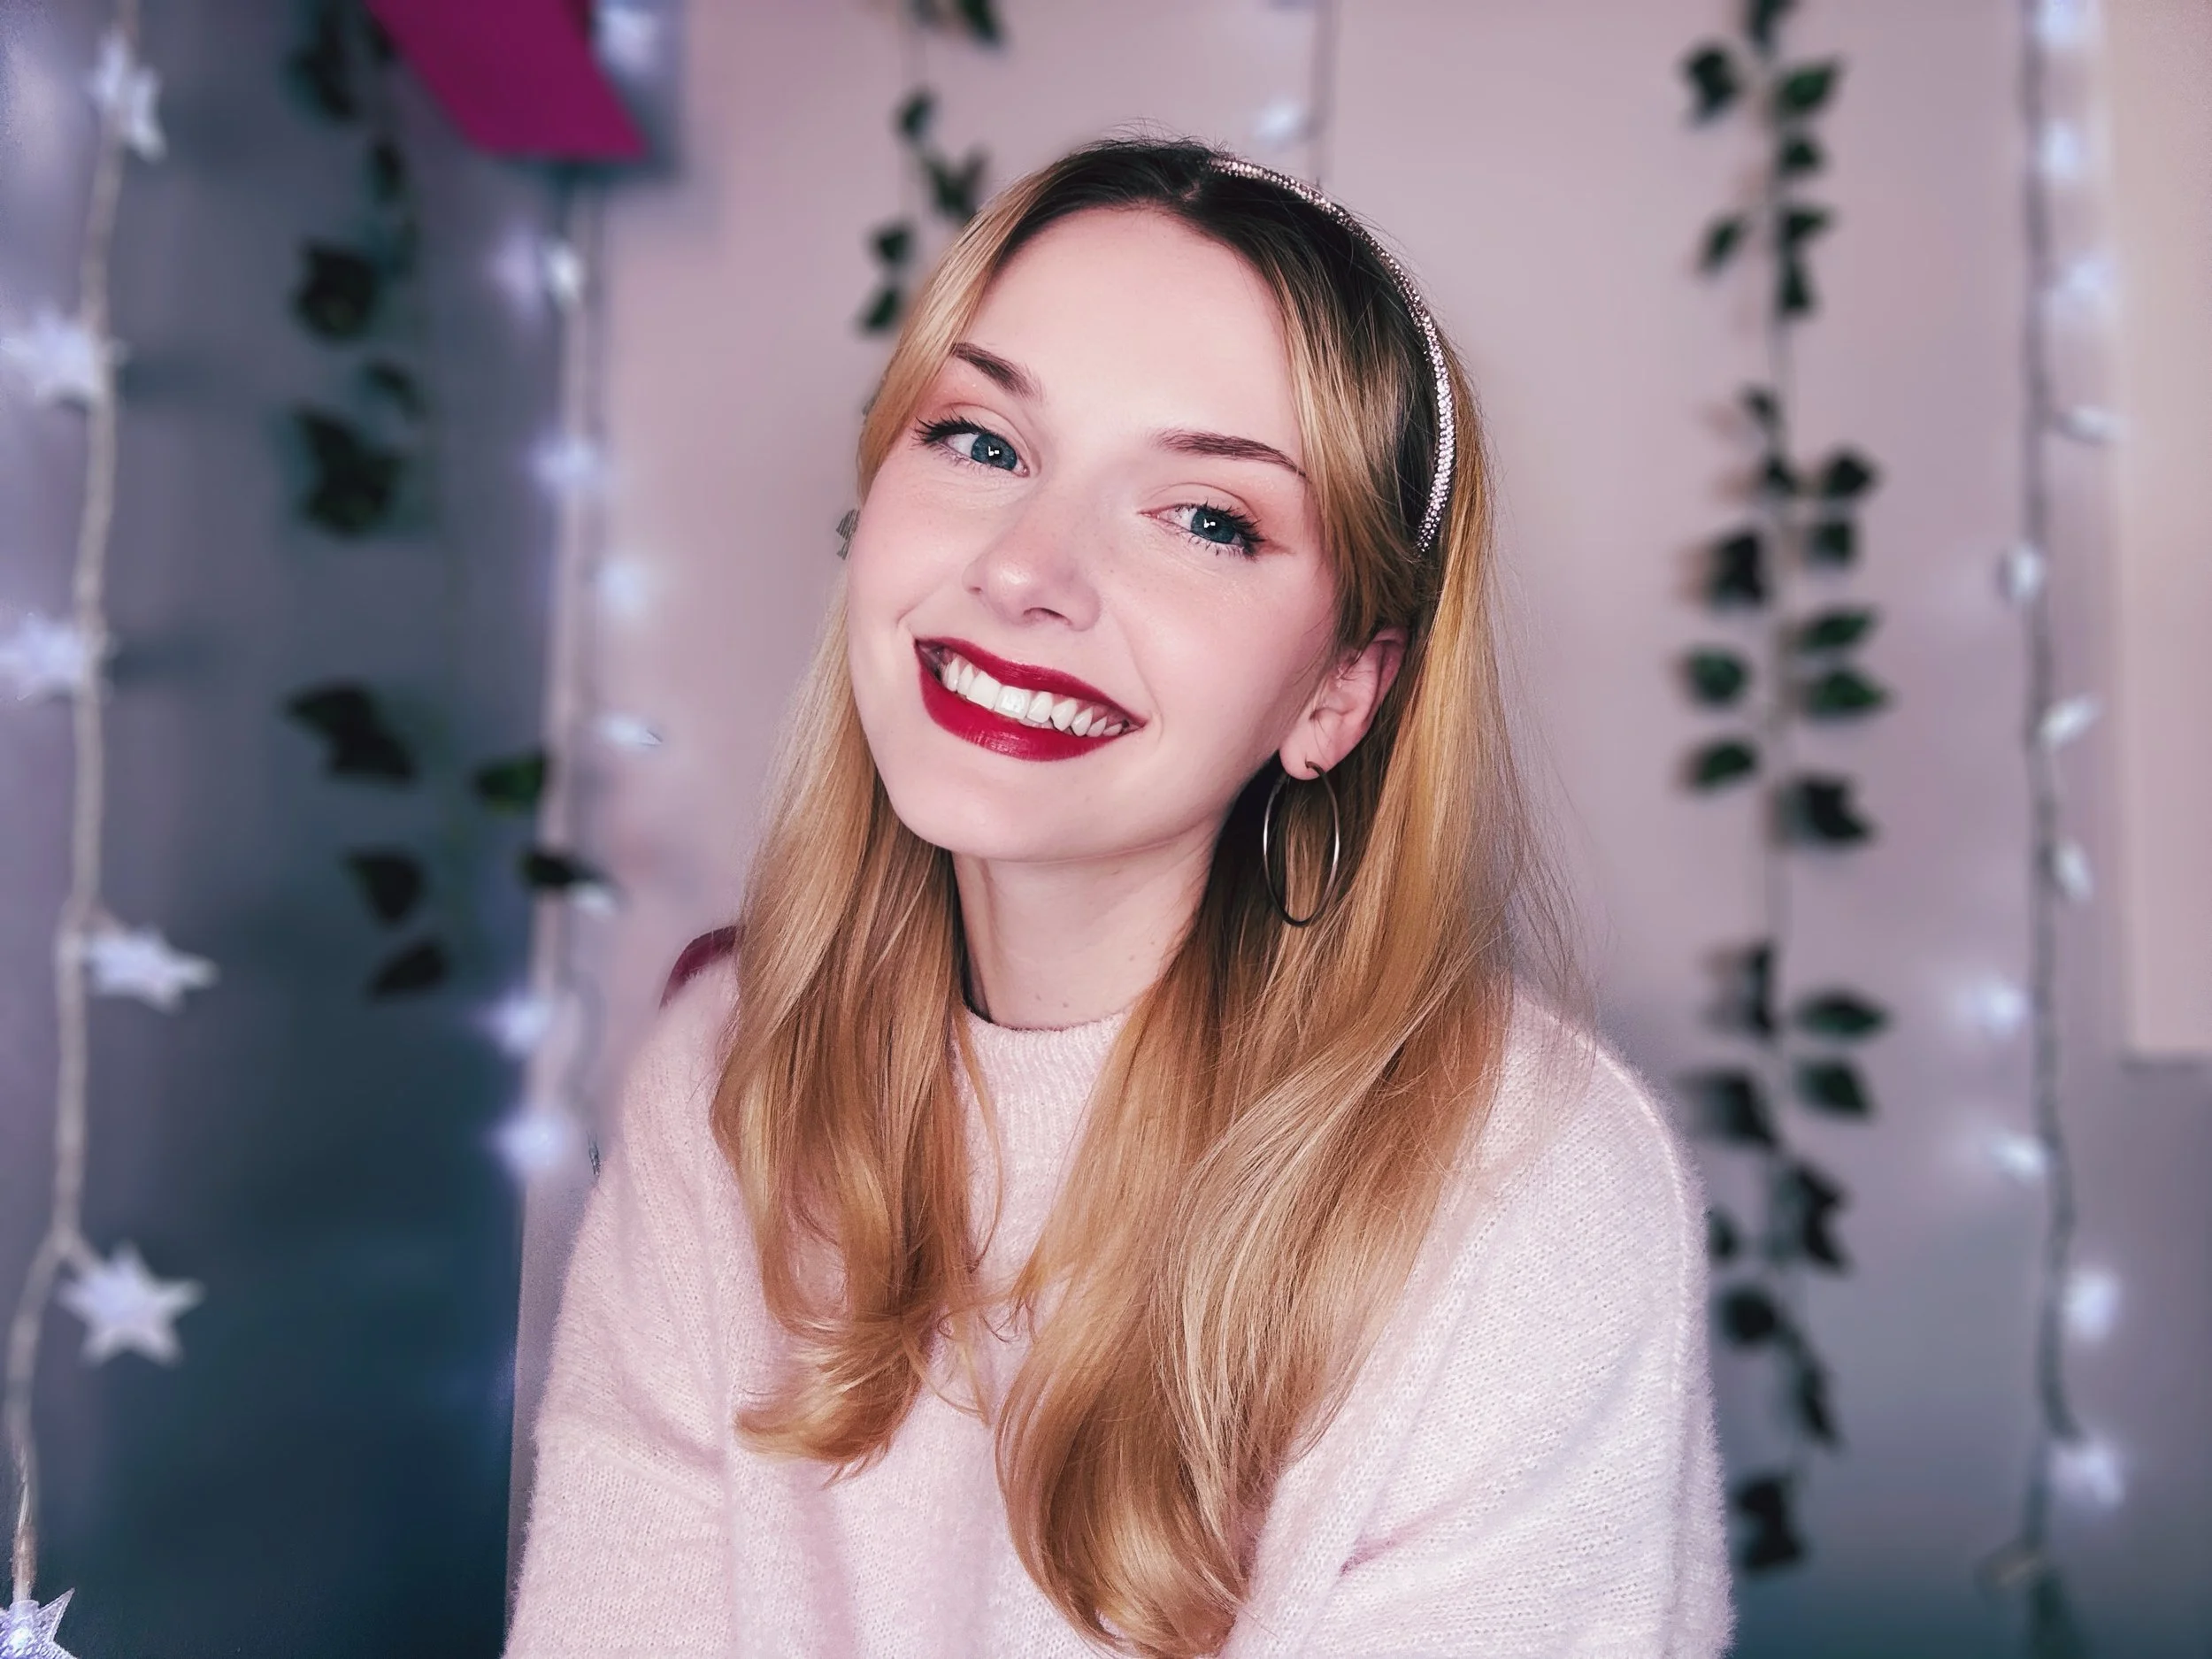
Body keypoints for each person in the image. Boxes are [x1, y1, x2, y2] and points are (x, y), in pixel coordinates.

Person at [505, 138, 1731, 1658]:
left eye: (1209, 518)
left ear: (1341, 691)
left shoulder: (1522, 1186)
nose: (1029, 570)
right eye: (981, 441)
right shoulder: (721, 1077)